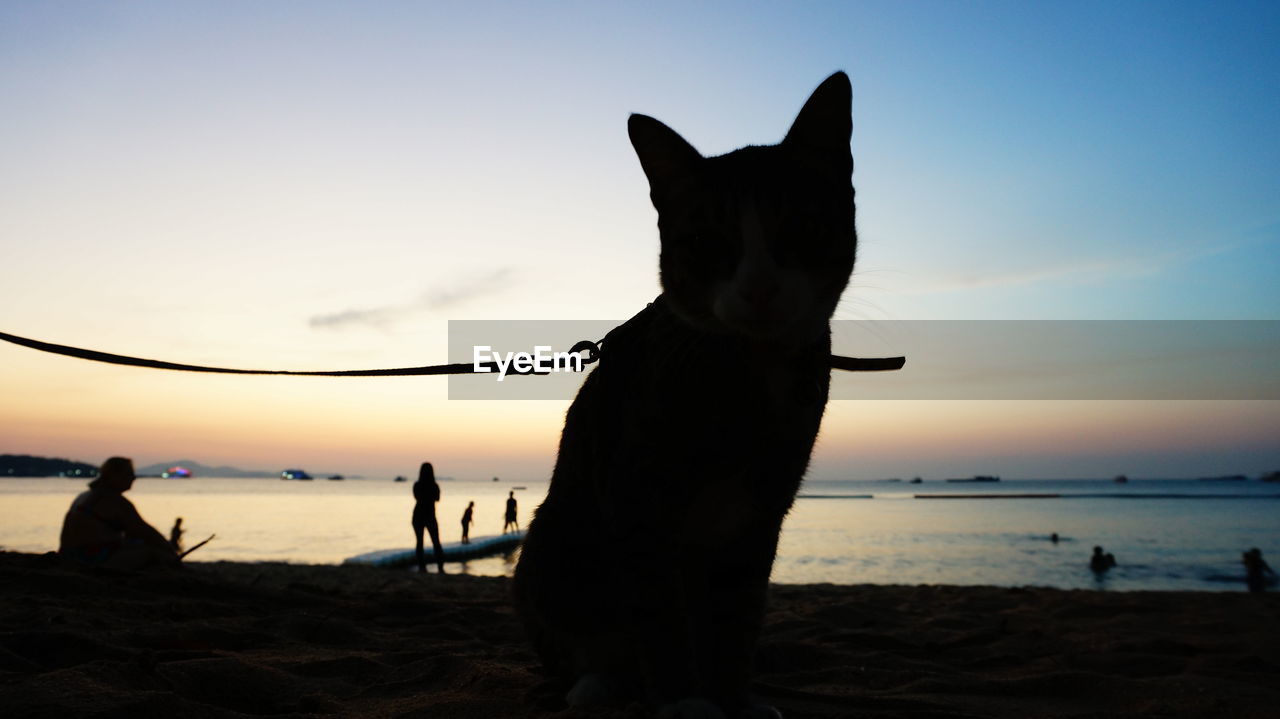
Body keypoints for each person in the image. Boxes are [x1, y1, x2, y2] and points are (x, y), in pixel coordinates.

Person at [59, 457, 180, 569]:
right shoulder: (113, 500)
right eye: (129, 474)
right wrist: (170, 550)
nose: (134, 478)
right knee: (156, 554)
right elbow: (145, 531)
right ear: (113, 475)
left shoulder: (84, 496)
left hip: (70, 557)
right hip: (91, 560)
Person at [412, 462, 446, 574]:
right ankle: (440, 568)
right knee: (436, 542)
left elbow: (416, 497)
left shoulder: (417, 485)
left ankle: (422, 567)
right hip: (430, 515)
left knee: (419, 542)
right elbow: (437, 498)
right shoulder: (434, 486)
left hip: (418, 515)